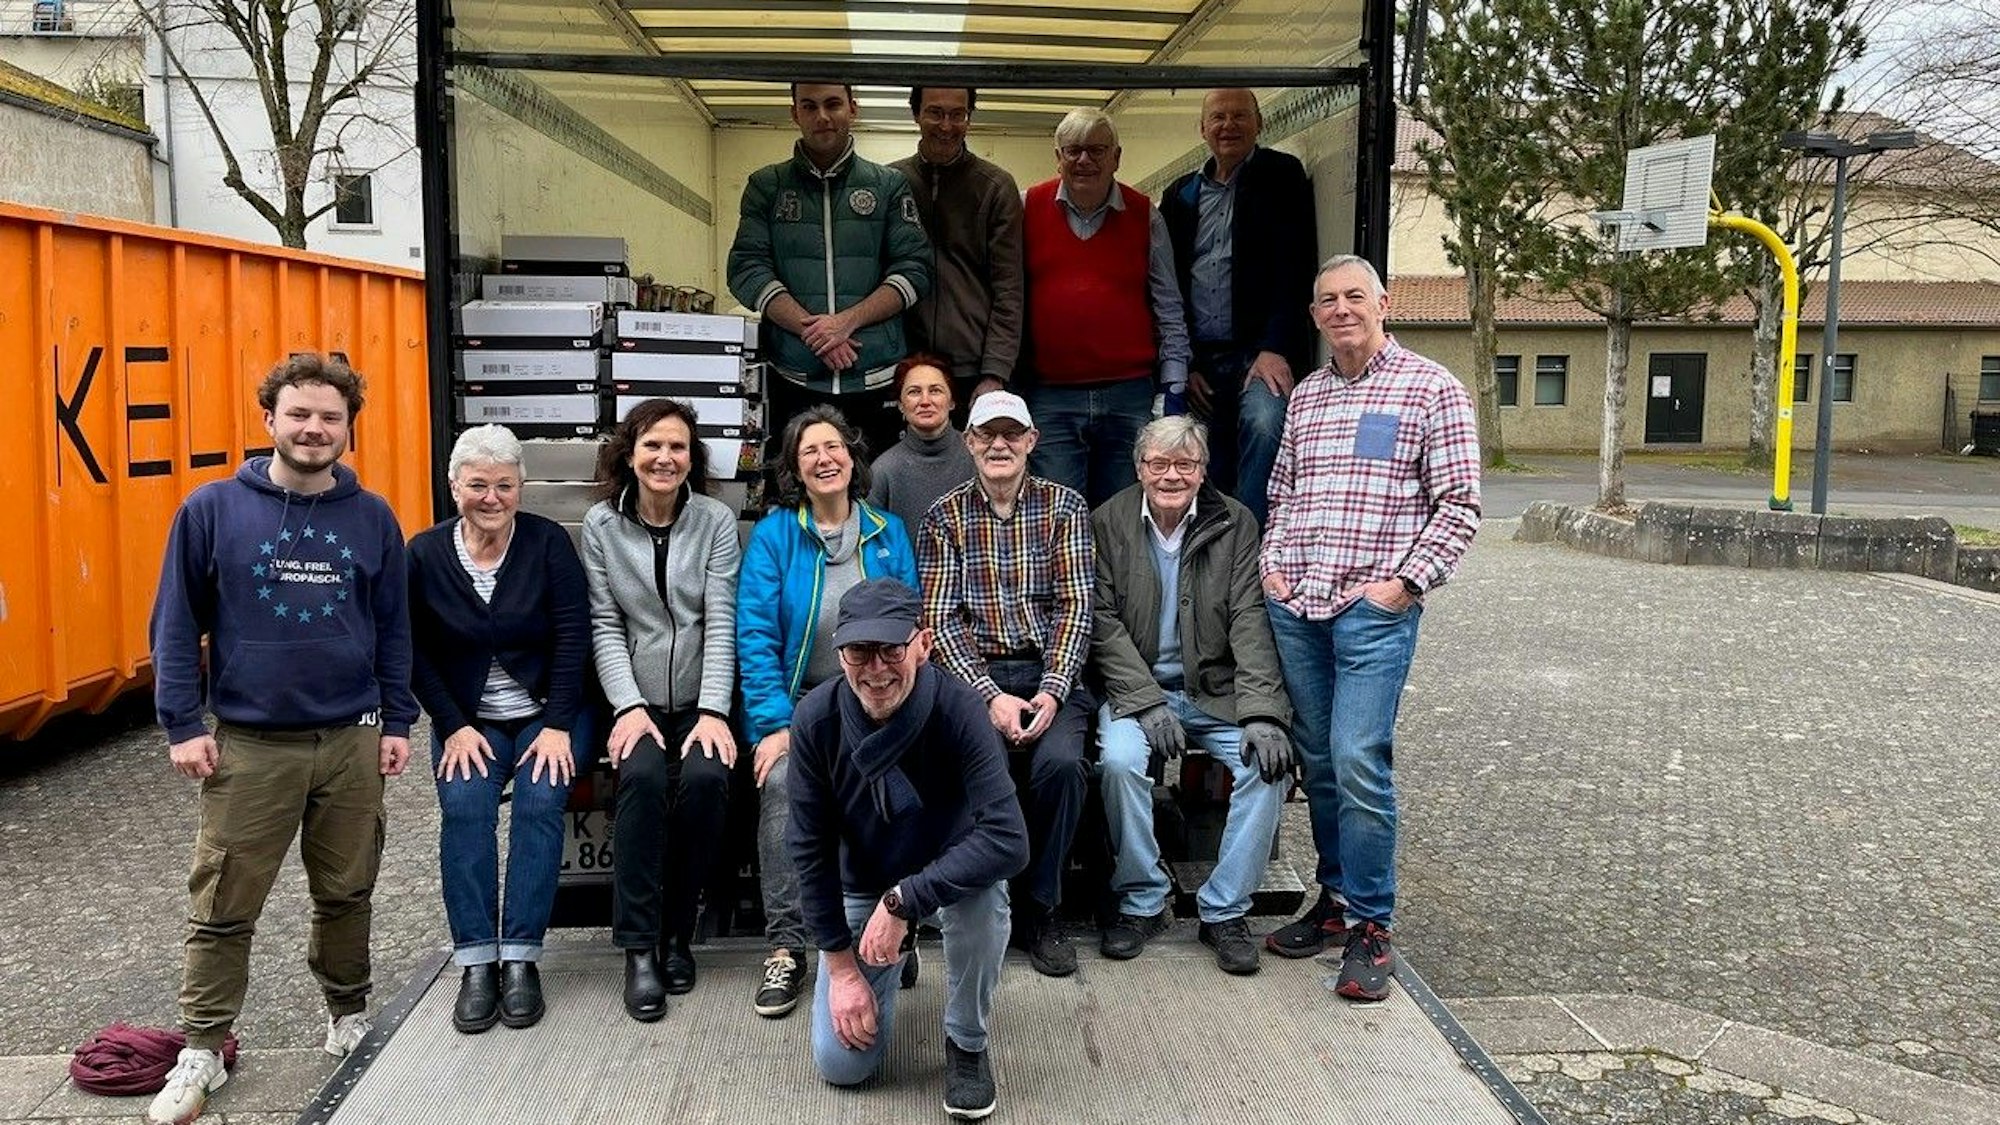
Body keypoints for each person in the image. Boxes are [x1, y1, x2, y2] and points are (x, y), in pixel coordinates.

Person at [145, 354, 416, 1125]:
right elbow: (173, 622)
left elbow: (394, 628)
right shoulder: (212, 510)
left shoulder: (373, 518)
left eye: (330, 417)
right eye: (299, 413)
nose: (314, 428)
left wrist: (397, 719)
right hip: (251, 745)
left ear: (347, 427)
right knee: (225, 898)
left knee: (347, 891)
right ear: (269, 419)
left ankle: (348, 1018)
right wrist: (180, 724)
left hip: (350, 740)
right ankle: (202, 1044)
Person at [1260, 256, 1481, 1001]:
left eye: (1356, 296)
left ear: (1384, 303)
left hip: (1371, 613)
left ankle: (1372, 925)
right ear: (1315, 314)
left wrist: (1405, 584)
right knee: (1318, 760)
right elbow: (1282, 489)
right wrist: (1273, 568)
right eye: (1328, 300)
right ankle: (1333, 900)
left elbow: (1460, 505)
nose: (1342, 309)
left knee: (1358, 758)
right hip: (1301, 605)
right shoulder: (1310, 398)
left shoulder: (1433, 390)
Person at [787, 578, 1027, 1119]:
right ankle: (893, 957)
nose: (875, 670)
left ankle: (966, 1042)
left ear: (923, 644)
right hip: (861, 882)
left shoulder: (962, 711)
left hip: (943, 877)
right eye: (858, 651)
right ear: (839, 652)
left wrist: (904, 901)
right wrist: (843, 969)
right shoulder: (815, 721)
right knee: (843, 1067)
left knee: (986, 903)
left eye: (892, 649)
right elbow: (809, 852)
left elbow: (1009, 839)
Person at [1090, 416, 1293, 975]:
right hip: (1141, 693)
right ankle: (1143, 898)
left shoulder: (1235, 522)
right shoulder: (1107, 522)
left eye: (1185, 464)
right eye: (1159, 464)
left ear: (1203, 471)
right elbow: (1101, 621)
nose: (1171, 475)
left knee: (1267, 766)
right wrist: (1146, 699)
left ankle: (1224, 910)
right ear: (1139, 468)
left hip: (1217, 694)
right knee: (1121, 765)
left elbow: (1252, 619)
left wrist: (1262, 713)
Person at [406, 424, 591, 1034]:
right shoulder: (425, 554)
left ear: (522, 487)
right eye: (478, 485)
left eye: (505, 485)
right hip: (471, 723)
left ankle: (521, 957)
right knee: (465, 806)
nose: (492, 497)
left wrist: (559, 722)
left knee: (541, 802)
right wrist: (452, 724)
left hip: (548, 716)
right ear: (454, 485)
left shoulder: (547, 545)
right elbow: (415, 652)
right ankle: (476, 959)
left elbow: (572, 638)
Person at [737, 405, 919, 1019]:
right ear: (795, 468)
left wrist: (904, 709)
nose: (825, 457)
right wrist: (773, 725)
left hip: (879, 695)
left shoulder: (888, 532)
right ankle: (787, 946)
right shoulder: (774, 536)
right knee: (786, 784)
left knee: (898, 783)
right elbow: (756, 635)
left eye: (834, 446)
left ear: (852, 455)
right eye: (809, 450)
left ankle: (892, 924)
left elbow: (910, 626)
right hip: (804, 704)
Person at [917, 391, 1093, 977]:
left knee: (1062, 766)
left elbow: (1076, 606)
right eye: (986, 434)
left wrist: (1052, 688)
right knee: (980, 767)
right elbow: (939, 621)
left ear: (1031, 441)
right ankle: (985, 905)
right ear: (968, 442)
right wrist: (989, 696)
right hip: (977, 677)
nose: (999, 444)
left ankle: (1042, 907)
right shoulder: (943, 517)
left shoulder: (1065, 507)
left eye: (1010, 434)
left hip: (1049, 672)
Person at [581, 398, 742, 1022]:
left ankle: (680, 932)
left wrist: (713, 712)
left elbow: (721, 621)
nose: (664, 458)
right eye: (652, 445)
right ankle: (640, 947)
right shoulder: (601, 525)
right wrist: (626, 706)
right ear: (629, 453)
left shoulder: (715, 522)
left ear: (691, 458)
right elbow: (605, 623)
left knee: (705, 781)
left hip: (701, 700)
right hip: (637, 700)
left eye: (677, 447)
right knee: (643, 781)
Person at [727, 81, 934, 459]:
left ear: (852, 108)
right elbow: (746, 268)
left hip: (876, 381)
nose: (822, 116)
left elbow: (915, 268)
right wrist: (815, 332)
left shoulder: (889, 185)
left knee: (873, 500)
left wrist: (846, 323)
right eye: (809, 106)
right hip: (793, 379)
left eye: (833, 104)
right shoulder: (766, 186)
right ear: (795, 114)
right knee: (798, 498)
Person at [1017, 107, 1192, 507]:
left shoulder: (1146, 214)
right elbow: (1005, 297)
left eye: (1097, 150)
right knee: (1057, 515)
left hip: (1129, 395)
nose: (1084, 160)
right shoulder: (1026, 207)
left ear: (1117, 156)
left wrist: (1174, 390)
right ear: (1057, 156)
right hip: (1050, 397)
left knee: (1124, 515)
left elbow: (1169, 308)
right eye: (1073, 150)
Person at [1160, 88, 1318, 525]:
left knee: (1266, 426)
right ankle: (1211, 544)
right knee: (1199, 451)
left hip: (1259, 353)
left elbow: (1296, 267)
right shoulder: (1180, 196)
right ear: (1203, 128)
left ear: (1259, 124)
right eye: (1218, 117)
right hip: (1202, 361)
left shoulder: (1281, 176)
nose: (1228, 126)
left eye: (1239, 116)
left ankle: (1249, 543)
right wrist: (1182, 363)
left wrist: (1275, 346)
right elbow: (1166, 285)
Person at [890, 86, 1024, 412]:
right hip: (904, 366)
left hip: (974, 371)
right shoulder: (889, 182)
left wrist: (995, 372)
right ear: (916, 115)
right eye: (935, 113)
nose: (946, 126)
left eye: (957, 115)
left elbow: (1009, 288)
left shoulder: (995, 187)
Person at [867, 354, 977, 532]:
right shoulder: (884, 471)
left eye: (935, 390)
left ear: (952, 402)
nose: (925, 401)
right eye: (914, 392)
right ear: (901, 405)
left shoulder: (979, 456)